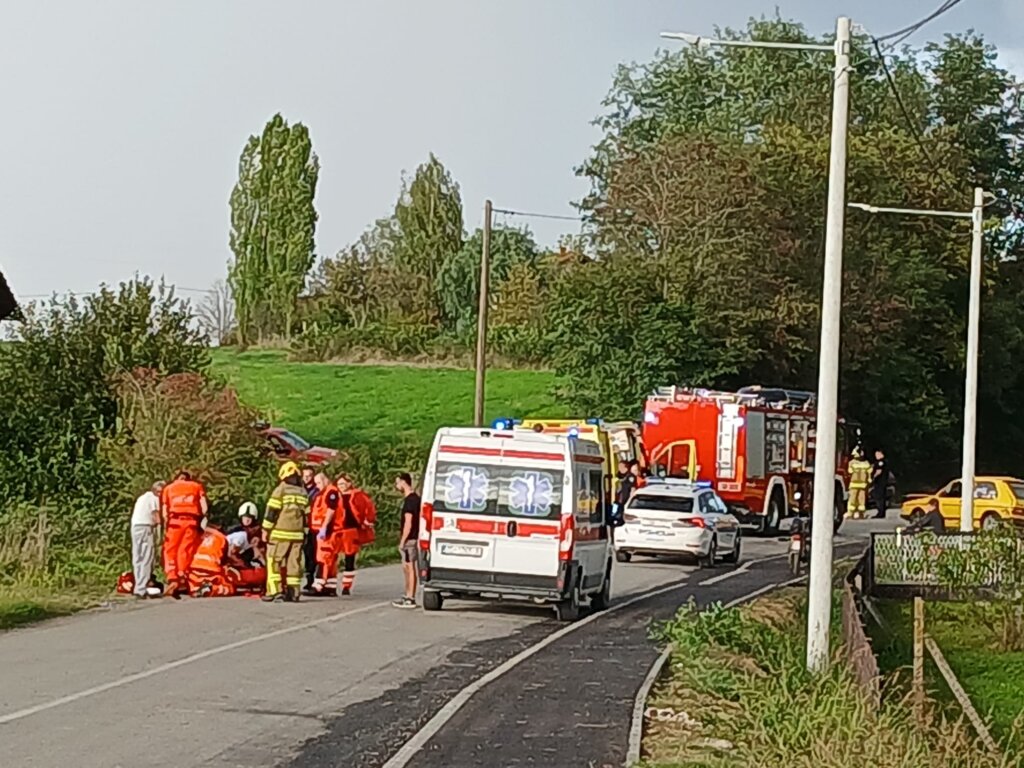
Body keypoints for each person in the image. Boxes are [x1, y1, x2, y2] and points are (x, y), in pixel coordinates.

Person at [262, 461, 310, 602]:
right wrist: (305, 533)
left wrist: (266, 530)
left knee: (273, 561)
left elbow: (271, 512)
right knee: (293, 563)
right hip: (298, 535)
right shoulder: (303, 492)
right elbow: (307, 517)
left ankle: (274, 591)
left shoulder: (280, 490)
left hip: (279, 534)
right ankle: (294, 593)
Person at [160, 471, 209, 599]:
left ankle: (172, 577)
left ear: (177, 478)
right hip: (191, 522)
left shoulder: (168, 489)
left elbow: (165, 511)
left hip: (174, 522)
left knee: (170, 550)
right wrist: (202, 519)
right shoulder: (196, 486)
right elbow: (204, 508)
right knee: (185, 549)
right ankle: (182, 575)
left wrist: (166, 524)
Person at [336, 473, 377, 596]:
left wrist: (367, 522)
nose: (341, 486)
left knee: (349, 558)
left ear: (349, 483)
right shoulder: (334, 496)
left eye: (343, 483)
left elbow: (368, 510)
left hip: (350, 530)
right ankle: (329, 584)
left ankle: (346, 586)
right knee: (331, 557)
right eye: (339, 484)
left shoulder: (358, 496)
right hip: (337, 531)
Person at [130, 481, 165, 599]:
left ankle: (138, 585)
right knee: (147, 557)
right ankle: (142, 588)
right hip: (146, 527)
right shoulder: (154, 498)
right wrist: (160, 533)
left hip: (135, 527)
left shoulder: (142, 497)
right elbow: (156, 515)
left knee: (138, 557)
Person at [309, 473, 342, 595]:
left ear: (325, 480)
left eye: (318, 483)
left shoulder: (331, 492)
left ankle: (318, 585)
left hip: (329, 531)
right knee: (331, 560)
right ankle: (330, 587)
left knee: (323, 559)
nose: (317, 486)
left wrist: (324, 527)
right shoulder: (325, 492)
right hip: (328, 531)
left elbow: (331, 510)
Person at [392, 472, 421, 609]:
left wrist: (403, 540)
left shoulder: (410, 501)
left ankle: (411, 597)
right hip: (413, 537)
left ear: (403, 482)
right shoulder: (416, 499)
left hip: (410, 539)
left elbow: (408, 523)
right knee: (407, 566)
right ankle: (408, 594)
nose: (396, 485)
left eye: (397, 482)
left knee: (410, 567)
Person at [302, 466, 319, 591]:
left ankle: (314, 579)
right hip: (302, 526)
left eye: (309, 475)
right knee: (306, 554)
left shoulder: (317, 491)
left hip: (314, 526)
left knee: (313, 553)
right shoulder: (300, 490)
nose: (307, 478)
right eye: (305, 475)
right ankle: (309, 579)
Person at [847, 448, 872, 520]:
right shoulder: (852, 463)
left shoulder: (866, 463)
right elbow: (850, 471)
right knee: (853, 499)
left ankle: (861, 513)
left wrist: (869, 479)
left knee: (861, 499)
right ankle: (851, 512)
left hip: (862, 485)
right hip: (854, 484)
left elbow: (869, 472)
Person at [871, 449, 889, 519]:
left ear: (881, 454)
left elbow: (879, 471)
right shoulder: (882, 462)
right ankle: (881, 512)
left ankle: (880, 513)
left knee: (879, 497)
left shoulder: (880, 462)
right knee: (881, 497)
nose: (876, 456)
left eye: (877, 454)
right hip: (881, 482)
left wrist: (873, 478)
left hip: (880, 482)